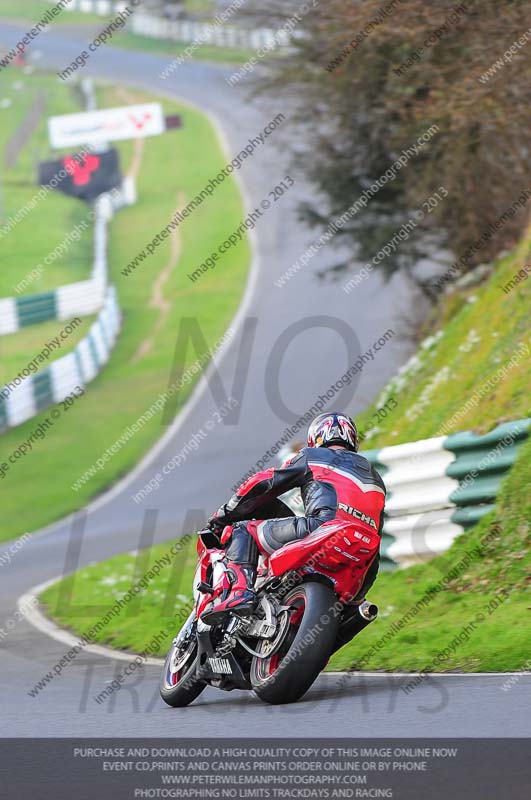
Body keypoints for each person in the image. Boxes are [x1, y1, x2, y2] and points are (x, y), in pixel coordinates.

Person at [201, 412, 386, 624]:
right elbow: (377, 529)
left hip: (321, 527)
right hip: (364, 553)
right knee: (349, 613)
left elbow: (264, 483)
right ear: (352, 439)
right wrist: (358, 596)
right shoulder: (376, 477)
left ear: (316, 438)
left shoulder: (312, 456)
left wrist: (223, 515)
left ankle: (239, 594)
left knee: (243, 530)